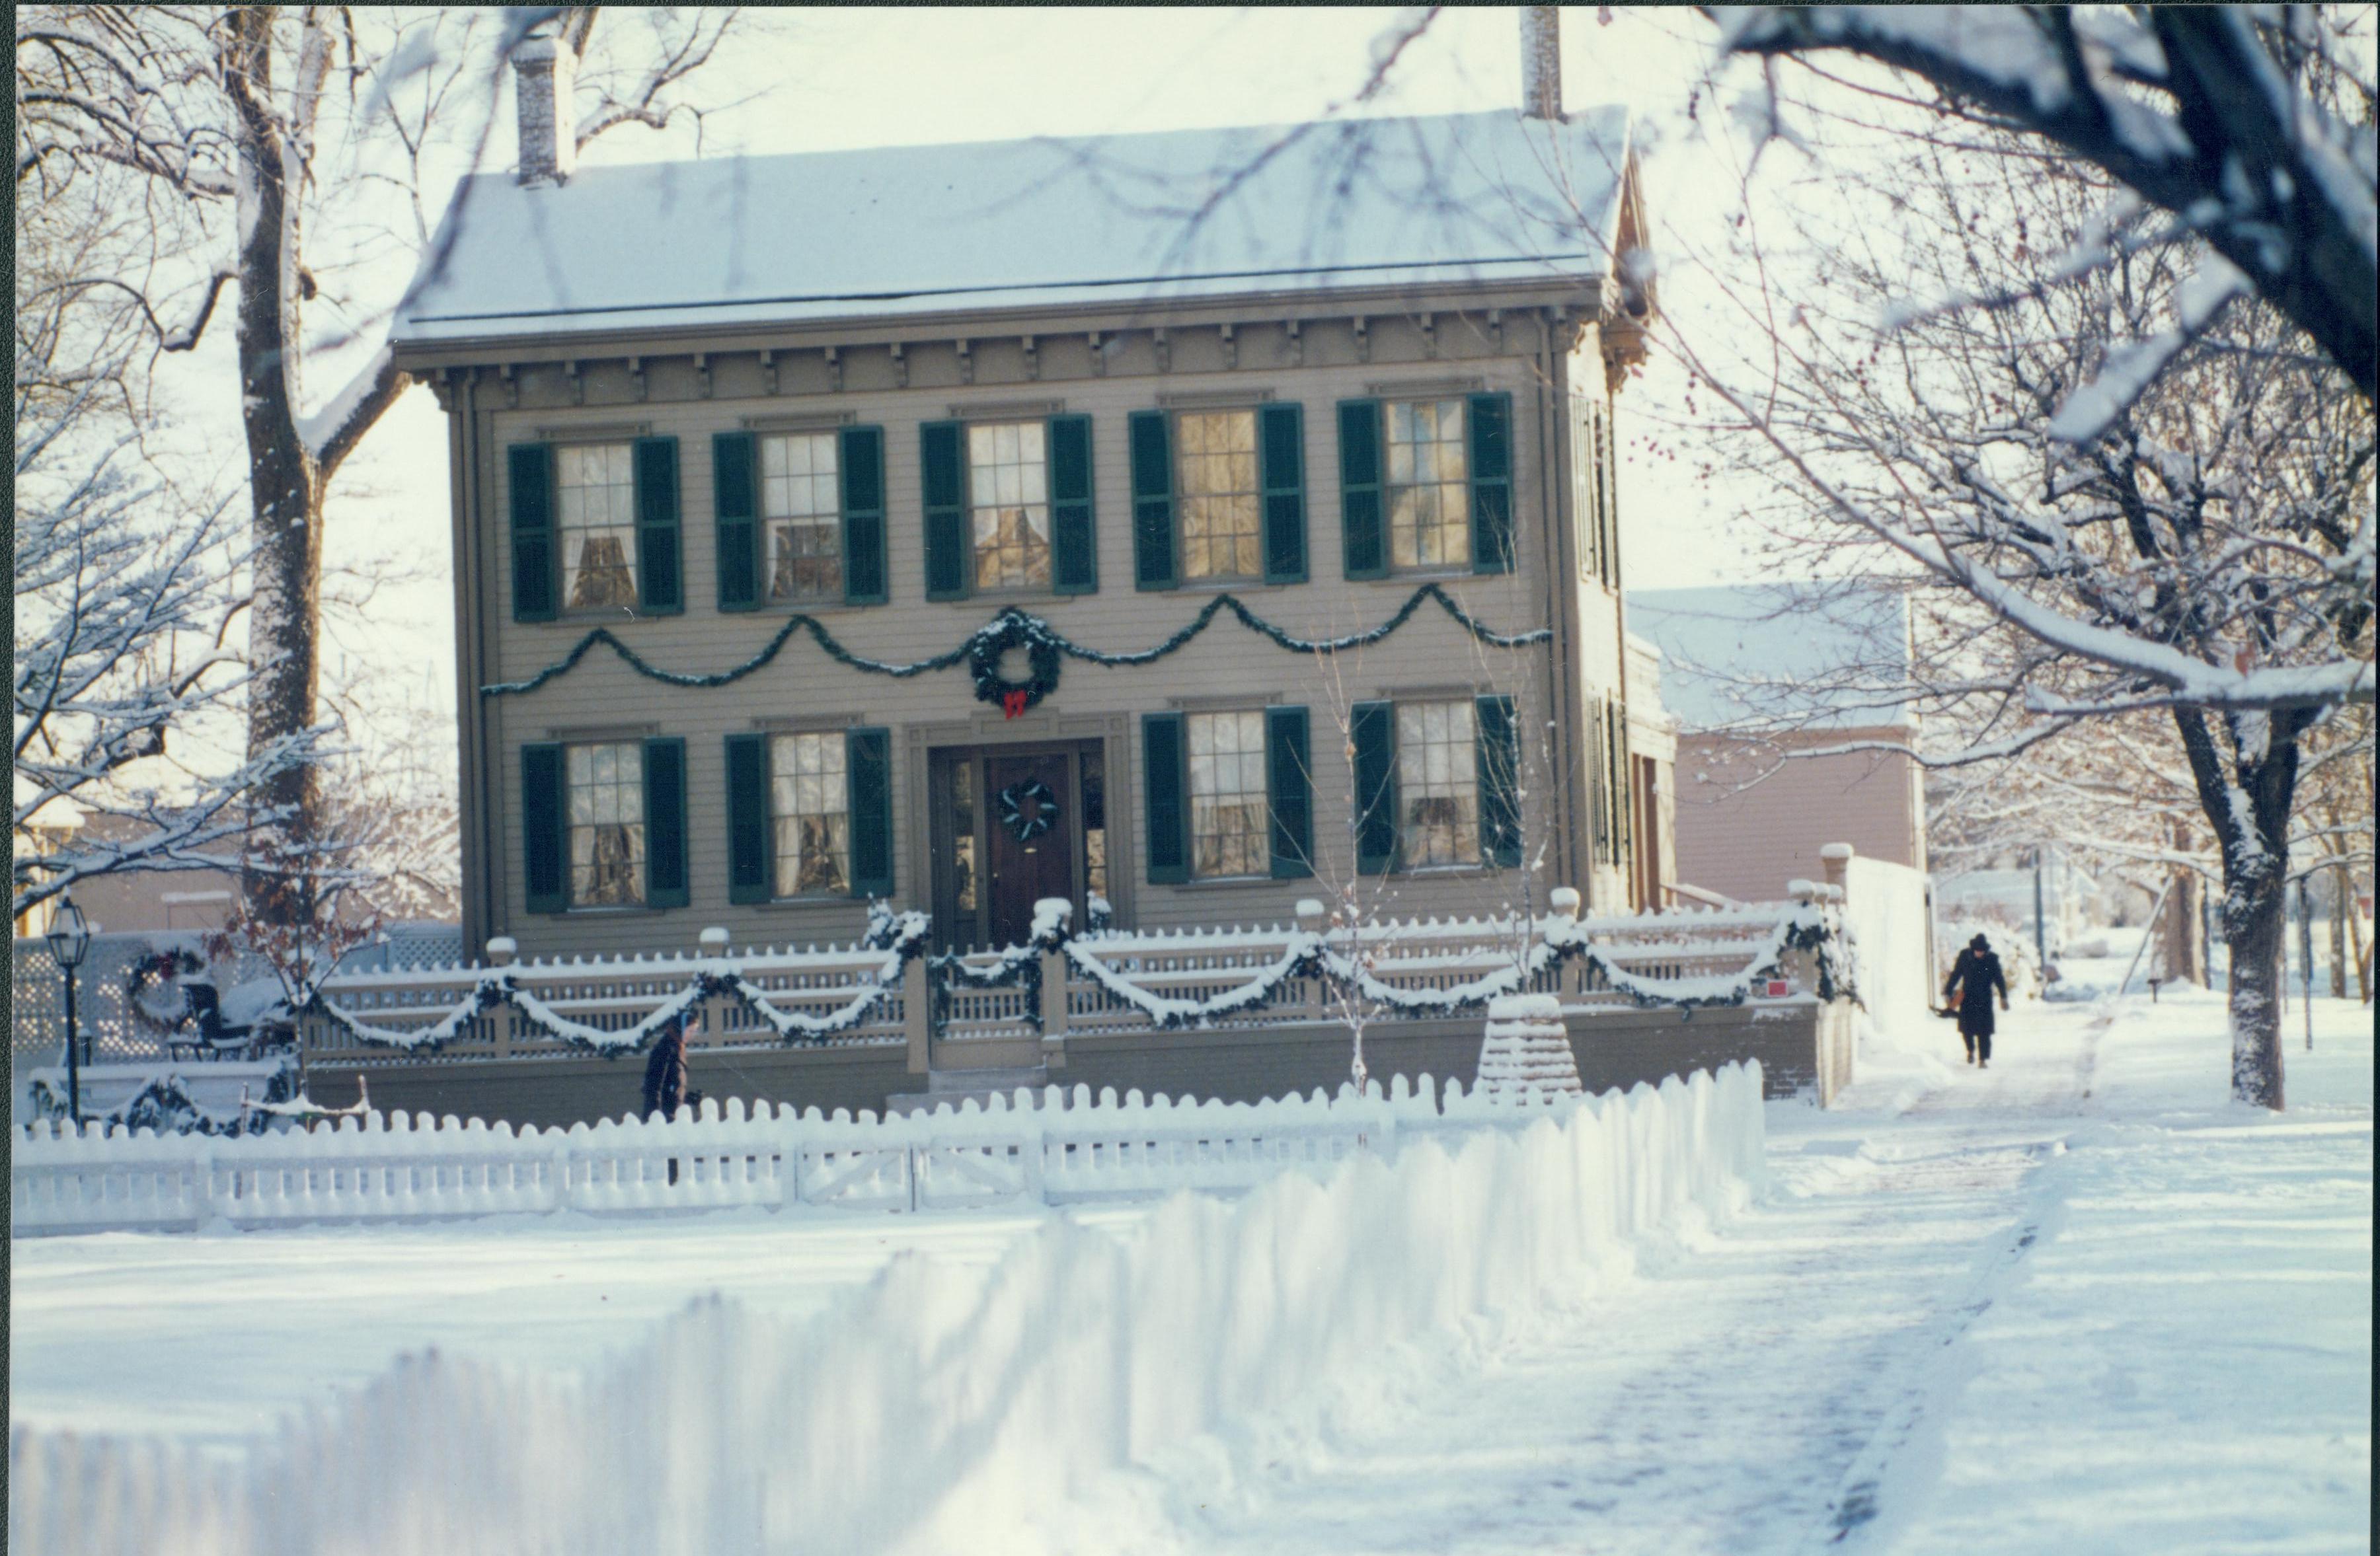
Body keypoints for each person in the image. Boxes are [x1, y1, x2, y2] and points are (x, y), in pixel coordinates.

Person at [1942, 933, 2011, 1067]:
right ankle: (1970, 1050)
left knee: (1984, 1031)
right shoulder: (1965, 957)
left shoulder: (1992, 960)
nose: (1979, 953)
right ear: (1973, 949)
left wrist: (2003, 996)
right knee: (1966, 1029)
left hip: (1985, 999)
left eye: (1982, 951)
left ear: (1986, 950)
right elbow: (1956, 974)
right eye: (1977, 951)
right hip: (1967, 997)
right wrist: (1948, 991)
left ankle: (1983, 1059)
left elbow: (1999, 979)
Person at [642, 1012, 692, 1121]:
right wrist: (657, 1117)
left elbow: (671, 1090)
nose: (691, 1035)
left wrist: (687, 1099)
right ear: (681, 1028)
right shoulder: (665, 1050)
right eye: (690, 1030)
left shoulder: (678, 1050)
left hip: (672, 1117)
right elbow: (654, 1086)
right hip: (661, 1121)